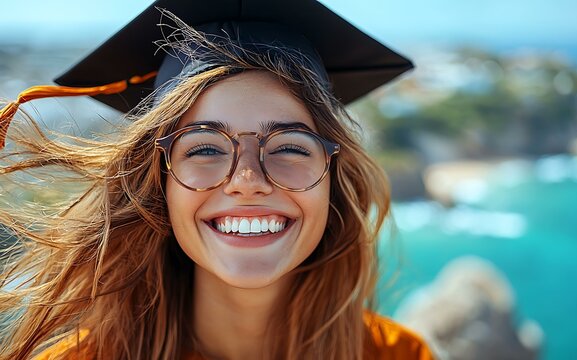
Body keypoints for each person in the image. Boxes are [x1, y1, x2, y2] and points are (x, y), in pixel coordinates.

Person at [0, 0, 434, 359]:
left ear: (332, 182)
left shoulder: (397, 354)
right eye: (204, 148)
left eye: (289, 147)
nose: (248, 181)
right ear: (159, 186)